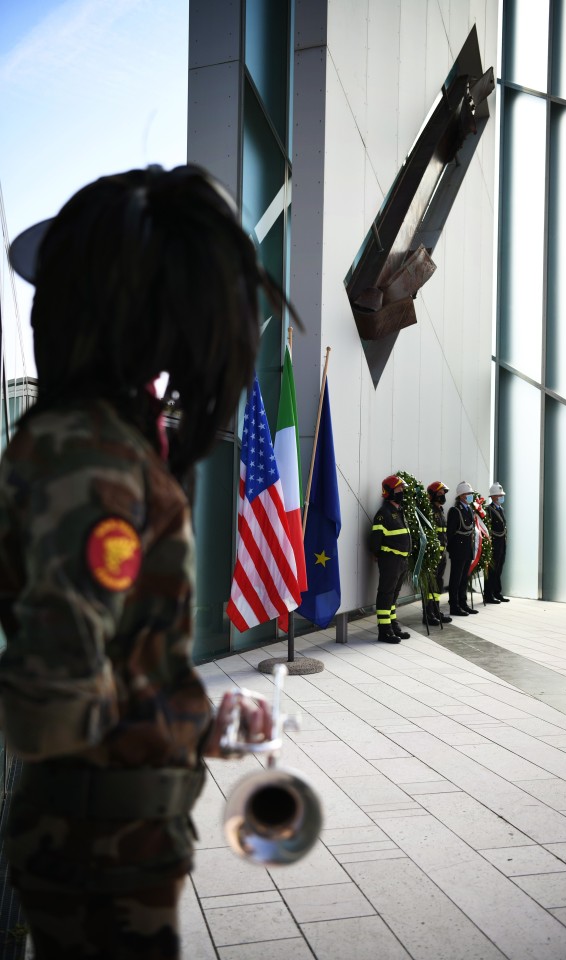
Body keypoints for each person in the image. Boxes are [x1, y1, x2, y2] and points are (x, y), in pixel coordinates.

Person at [0, 164, 290, 959]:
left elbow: (109, 662)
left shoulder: (96, 440)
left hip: (108, 847)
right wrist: (195, 719)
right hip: (99, 863)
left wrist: (199, 723)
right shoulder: (92, 459)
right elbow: (49, 702)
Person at [370, 475, 412, 643]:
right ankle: (384, 630)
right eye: (399, 489)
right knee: (386, 594)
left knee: (394, 594)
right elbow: (375, 540)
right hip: (390, 559)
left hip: (401, 560)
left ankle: (392, 625)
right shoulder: (383, 513)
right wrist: (381, 556)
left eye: (402, 489)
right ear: (389, 492)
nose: (402, 492)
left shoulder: (399, 511)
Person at [446, 481, 478, 616]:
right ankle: (454, 605)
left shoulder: (469, 509)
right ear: (462, 495)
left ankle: (463, 603)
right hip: (458, 549)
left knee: (464, 578)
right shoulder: (455, 511)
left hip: (467, 548)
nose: (471, 496)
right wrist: (451, 549)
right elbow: (450, 533)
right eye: (469, 493)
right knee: (456, 578)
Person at [423, 481, 452, 626]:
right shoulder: (429, 511)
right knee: (430, 585)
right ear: (433, 495)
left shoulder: (440, 511)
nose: (442, 496)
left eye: (443, 494)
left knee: (438, 584)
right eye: (440, 493)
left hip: (442, 555)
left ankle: (435, 610)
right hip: (433, 556)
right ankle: (428, 614)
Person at [484, 482, 509, 603]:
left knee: (499, 569)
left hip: (502, 543)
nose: (501, 497)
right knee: (492, 570)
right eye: (499, 495)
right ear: (493, 497)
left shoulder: (501, 509)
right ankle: (489, 594)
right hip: (494, 543)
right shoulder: (489, 510)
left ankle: (497, 592)